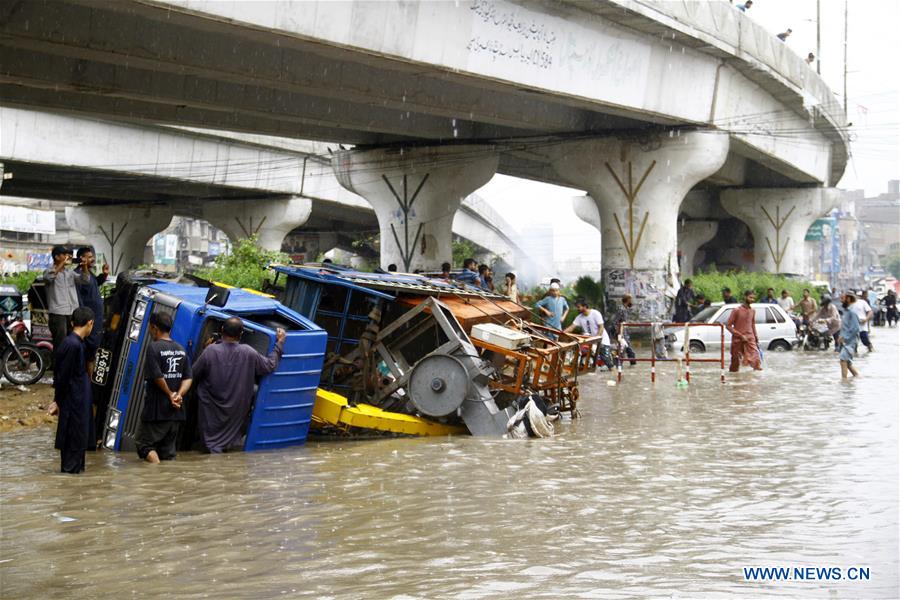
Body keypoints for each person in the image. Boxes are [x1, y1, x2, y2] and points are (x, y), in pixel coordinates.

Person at [192, 318, 286, 453]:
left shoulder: (210, 351)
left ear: (222, 330)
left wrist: (204, 350)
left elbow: (193, 374)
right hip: (236, 414)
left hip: (210, 412)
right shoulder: (249, 352)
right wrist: (280, 343)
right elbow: (270, 365)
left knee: (210, 448)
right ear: (241, 334)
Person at [136, 312, 193, 463]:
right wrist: (178, 395)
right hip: (176, 412)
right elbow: (188, 378)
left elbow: (157, 376)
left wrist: (169, 394)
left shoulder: (153, 348)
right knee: (168, 452)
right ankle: (166, 480)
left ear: (154, 327)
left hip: (156, 411)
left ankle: (156, 473)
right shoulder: (181, 349)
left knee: (144, 444)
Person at [48, 307, 95, 474]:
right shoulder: (71, 344)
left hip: (78, 404)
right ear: (90, 323)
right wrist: (57, 401)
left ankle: (75, 489)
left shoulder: (78, 343)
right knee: (72, 451)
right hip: (73, 405)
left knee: (78, 447)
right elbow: (62, 377)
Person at [44, 245, 84, 352]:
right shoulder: (48, 271)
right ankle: (59, 367)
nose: (68, 257)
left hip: (72, 312)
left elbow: (84, 281)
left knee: (73, 341)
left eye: (68, 255)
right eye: (65, 255)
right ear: (57, 257)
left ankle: (69, 366)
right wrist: (62, 263)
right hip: (58, 313)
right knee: (60, 342)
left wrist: (83, 266)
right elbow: (49, 277)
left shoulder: (70, 273)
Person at [73, 247, 109, 367]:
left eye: (92, 256)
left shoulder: (89, 273)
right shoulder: (78, 274)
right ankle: (88, 382)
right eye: (88, 257)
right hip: (88, 319)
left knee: (92, 351)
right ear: (81, 259)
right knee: (89, 352)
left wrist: (104, 275)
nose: (92, 259)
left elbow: (94, 283)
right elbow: (86, 282)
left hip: (95, 319)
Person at [565, 298, 613, 369]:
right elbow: (571, 327)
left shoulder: (595, 313)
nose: (577, 309)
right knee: (581, 355)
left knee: (607, 361)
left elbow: (601, 327)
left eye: (579, 307)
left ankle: (614, 372)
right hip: (590, 342)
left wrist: (596, 339)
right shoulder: (579, 317)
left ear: (584, 306)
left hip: (602, 341)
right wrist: (562, 332)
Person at [725, 290, 762, 372]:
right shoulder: (736, 310)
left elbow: (752, 325)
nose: (752, 300)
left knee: (756, 360)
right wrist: (740, 336)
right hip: (737, 339)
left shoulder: (753, 311)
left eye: (753, 298)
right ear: (745, 297)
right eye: (750, 297)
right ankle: (735, 380)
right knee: (735, 363)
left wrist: (756, 337)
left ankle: (755, 382)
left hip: (750, 338)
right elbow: (728, 326)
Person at [608, 294, 637, 366]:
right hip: (621, 333)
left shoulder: (625, 309)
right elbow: (615, 321)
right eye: (631, 299)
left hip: (624, 332)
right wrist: (618, 334)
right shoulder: (621, 309)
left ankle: (621, 364)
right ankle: (620, 365)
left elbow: (623, 321)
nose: (632, 301)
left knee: (625, 348)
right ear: (628, 300)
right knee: (625, 348)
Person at [838, 293, 861, 379]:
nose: (841, 300)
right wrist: (841, 337)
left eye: (842, 298)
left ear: (848, 299)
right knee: (847, 363)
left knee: (843, 360)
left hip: (850, 341)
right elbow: (845, 326)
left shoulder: (852, 311)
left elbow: (855, 328)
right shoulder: (847, 311)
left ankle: (844, 382)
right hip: (846, 340)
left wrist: (845, 337)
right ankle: (857, 377)